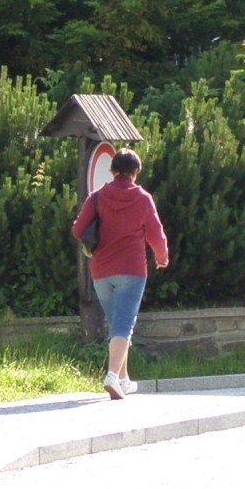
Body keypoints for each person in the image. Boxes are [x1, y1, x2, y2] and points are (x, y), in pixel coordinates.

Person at [70, 149, 168, 399]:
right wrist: (161, 256)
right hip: (132, 270)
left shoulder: (97, 197)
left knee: (116, 322)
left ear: (113, 171)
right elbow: (155, 233)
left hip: (101, 270)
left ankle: (123, 379)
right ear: (135, 172)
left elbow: (78, 229)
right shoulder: (143, 198)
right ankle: (112, 376)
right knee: (124, 323)